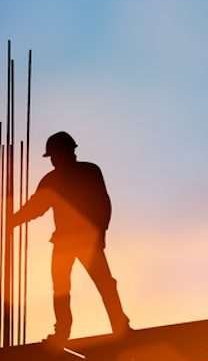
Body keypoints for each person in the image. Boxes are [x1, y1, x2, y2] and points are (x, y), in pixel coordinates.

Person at [10, 131, 130, 345]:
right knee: (64, 287)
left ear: (65, 153)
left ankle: (118, 326)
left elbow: (102, 203)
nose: (53, 160)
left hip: (82, 240)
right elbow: (36, 207)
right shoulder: (56, 178)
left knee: (100, 284)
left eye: (54, 155)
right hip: (67, 241)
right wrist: (14, 220)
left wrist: (100, 232)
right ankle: (66, 331)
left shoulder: (85, 172)